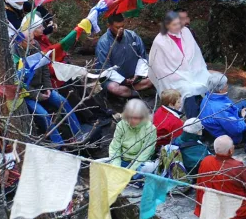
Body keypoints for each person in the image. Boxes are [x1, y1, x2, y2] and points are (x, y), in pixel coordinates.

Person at [13, 15, 85, 145]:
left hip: (42, 87)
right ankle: (59, 145)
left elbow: (44, 68)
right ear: (21, 42)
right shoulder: (15, 56)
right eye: (30, 40)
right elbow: (20, 84)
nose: (34, 42)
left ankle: (78, 134)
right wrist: (39, 96)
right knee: (44, 115)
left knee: (62, 101)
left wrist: (48, 88)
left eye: (33, 38)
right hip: (27, 94)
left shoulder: (35, 46)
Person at [195, 135, 246, 219]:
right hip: (233, 212)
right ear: (231, 150)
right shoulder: (237, 167)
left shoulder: (206, 160)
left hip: (208, 207)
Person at [149, 11, 210, 118]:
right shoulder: (159, 41)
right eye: (174, 24)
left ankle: (210, 115)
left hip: (194, 72)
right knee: (188, 91)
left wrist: (195, 71)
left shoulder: (186, 31)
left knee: (210, 81)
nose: (178, 26)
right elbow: (157, 66)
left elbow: (196, 55)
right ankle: (192, 122)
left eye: (179, 23)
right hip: (173, 77)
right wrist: (179, 76)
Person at [96, 13, 152, 99]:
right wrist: (123, 80)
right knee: (114, 88)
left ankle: (130, 90)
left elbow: (142, 56)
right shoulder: (103, 42)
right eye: (117, 27)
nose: (121, 29)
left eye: (123, 26)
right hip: (114, 79)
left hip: (134, 77)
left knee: (153, 79)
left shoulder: (132, 35)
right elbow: (105, 68)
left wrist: (138, 75)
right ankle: (134, 93)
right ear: (109, 26)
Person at [109, 98, 157, 172]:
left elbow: (146, 152)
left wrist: (130, 171)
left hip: (139, 163)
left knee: (149, 167)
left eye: (136, 118)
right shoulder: (121, 125)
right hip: (122, 160)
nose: (132, 120)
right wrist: (116, 167)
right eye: (130, 117)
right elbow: (115, 147)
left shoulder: (150, 129)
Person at [199, 73, 246, 144]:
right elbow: (236, 130)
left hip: (219, 127)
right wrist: (244, 117)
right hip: (230, 138)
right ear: (220, 90)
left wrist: (239, 112)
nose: (227, 86)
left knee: (244, 103)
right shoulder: (221, 109)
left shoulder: (208, 97)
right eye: (226, 84)